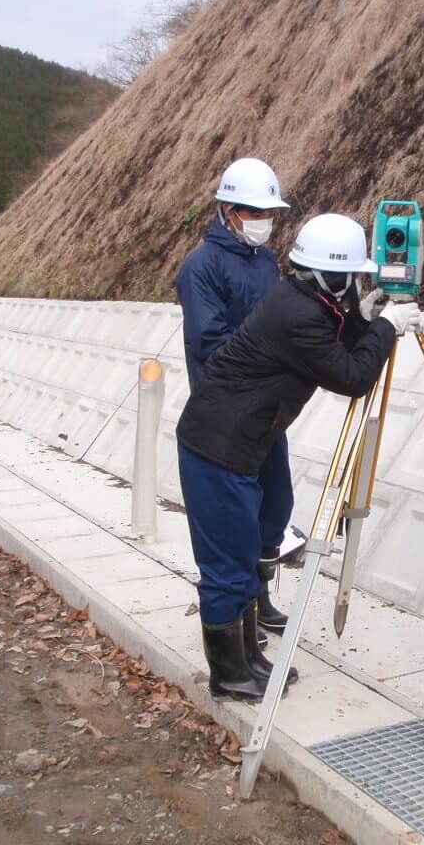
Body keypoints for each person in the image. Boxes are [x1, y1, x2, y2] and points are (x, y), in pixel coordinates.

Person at [175, 213, 420, 700]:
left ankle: (249, 659)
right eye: (351, 275)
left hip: (239, 444)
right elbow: (351, 376)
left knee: (244, 555)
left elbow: (339, 343)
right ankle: (229, 673)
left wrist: (366, 319)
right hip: (217, 448)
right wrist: (388, 328)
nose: (356, 283)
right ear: (331, 275)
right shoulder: (298, 315)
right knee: (227, 564)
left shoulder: (306, 300)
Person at [175, 157, 293, 641]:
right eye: (252, 211)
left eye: (268, 212)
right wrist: (274, 359)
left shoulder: (266, 261)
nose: (262, 221)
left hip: (269, 412)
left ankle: (260, 595)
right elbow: (211, 341)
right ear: (228, 210)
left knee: (275, 509)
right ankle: (241, 614)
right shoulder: (201, 267)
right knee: (235, 523)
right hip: (228, 416)